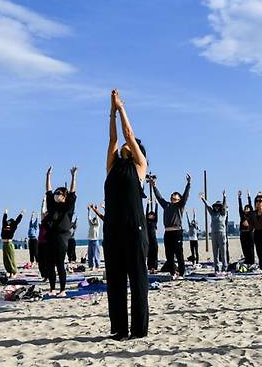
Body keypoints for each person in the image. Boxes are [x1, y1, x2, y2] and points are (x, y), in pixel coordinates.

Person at [104, 89, 149, 340]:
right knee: (117, 283)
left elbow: (127, 134)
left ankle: (139, 330)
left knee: (138, 281)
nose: (123, 145)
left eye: (128, 145)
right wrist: (111, 112)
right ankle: (120, 329)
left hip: (135, 229)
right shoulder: (112, 165)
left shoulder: (140, 167)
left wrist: (121, 109)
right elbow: (112, 139)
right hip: (113, 230)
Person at [150, 173, 191, 278]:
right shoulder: (167, 205)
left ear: (178, 199)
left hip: (177, 231)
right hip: (167, 232)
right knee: (169, 255)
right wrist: (154, 186)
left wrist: (188, 184)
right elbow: (159, 197)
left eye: (175, 197)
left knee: (179, 253)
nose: (173, 197)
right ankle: (173, 273)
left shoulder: (180, 205)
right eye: (172, 196)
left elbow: (185, 196)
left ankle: (181, 273)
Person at [45, 166, 78, 297]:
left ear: (64, 197)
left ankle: (62, 290)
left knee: (60, 264)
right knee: (50, 264)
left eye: (59, 193)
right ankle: (52, 288)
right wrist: (48, 176)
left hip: (62, 237)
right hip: (51, 236)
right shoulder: (52, 207)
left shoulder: (68, 207)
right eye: (56, 193)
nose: (56, 194)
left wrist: (73, 176)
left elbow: (72, 193)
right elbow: (48, 191)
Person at [200, 191, 228, 274]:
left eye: (218, 206)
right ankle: (216, 268)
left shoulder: (223, 214)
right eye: (215, 206)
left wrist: (224, 197)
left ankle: (224, 268)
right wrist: (203, 199)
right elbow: (208, 206)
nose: (216, 207)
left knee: (223, 252)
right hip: (213, 234)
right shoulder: (212, 213)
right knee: (215, 253)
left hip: (221, 234)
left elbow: (224, 206)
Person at [0, 209, 24, 277]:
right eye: (8, 221)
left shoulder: (13, 227)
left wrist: (21, 214)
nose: (8, 222)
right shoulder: (4, 226)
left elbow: (17, 221)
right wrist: (5, 213)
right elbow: (3, 220)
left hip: (9, 244)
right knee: (6, 259)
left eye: (10, 221)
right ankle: (10, 272)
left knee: (11, 258)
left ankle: (14, 272)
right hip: (4, 244)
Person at [238, 191, 255, 266]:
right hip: (243, 233)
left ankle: (252, 262)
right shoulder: (242, 215)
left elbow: (251, 205)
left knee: (251, 248)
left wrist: (249, 196)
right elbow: (240, 207)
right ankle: (247, 261)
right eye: (245, 208)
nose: (246, 209)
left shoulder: (251, 215)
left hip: (250, 233)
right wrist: (239, 198)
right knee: (244, 248)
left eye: (248, 208)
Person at [87, 203, 103, 270]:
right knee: (90, 255)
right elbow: (89, 217)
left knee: (96, 254)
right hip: (90, 240)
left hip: (95, 240)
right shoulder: (91, 225)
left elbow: (97, 218)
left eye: (94, 220)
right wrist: (89, 210)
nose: (93, 220)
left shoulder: (97, 225)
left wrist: (96, 210)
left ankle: (97, 266)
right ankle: (91, 266)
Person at [145, 199, 159, 273]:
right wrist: (147, 204)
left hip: (154, 240)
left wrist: (156, 204)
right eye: (150, 215)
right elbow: (146, 212)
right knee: (149, 255)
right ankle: (150, 267)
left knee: (154, 254)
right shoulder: (146, 221)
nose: (151, 215)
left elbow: (156, 213)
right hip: (148, 240)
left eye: (152, 215)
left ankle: (155, 267)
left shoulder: (155, 221)